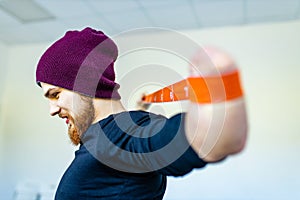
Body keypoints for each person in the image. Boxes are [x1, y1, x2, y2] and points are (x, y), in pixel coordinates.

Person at [36, 27, 247, 200]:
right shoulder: (110, 134)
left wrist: (219, 87)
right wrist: (142, 109)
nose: (52, 110)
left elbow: (214, 139)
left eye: (55, 94)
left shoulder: (118, 137)